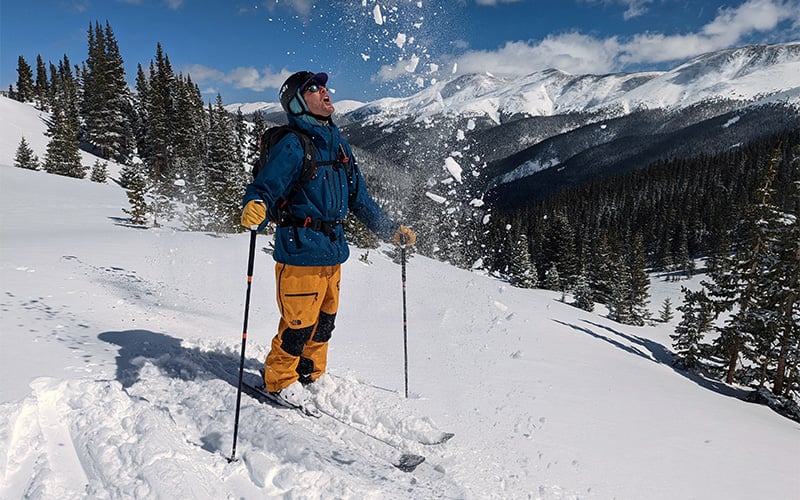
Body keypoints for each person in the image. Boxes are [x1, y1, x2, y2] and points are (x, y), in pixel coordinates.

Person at [241, 70, 416, 409]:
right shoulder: (293, 144)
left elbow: (360, 200)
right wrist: (256, 206)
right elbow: (266, 187)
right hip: (300, 250)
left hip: (333, 252)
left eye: (323, 86)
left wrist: (390, 230)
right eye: (313, 89)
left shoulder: (339, 146)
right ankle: (278, 380)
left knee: (324, 321)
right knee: (298, 324)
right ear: (296, 102)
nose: (325, 92)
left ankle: (309, 372)